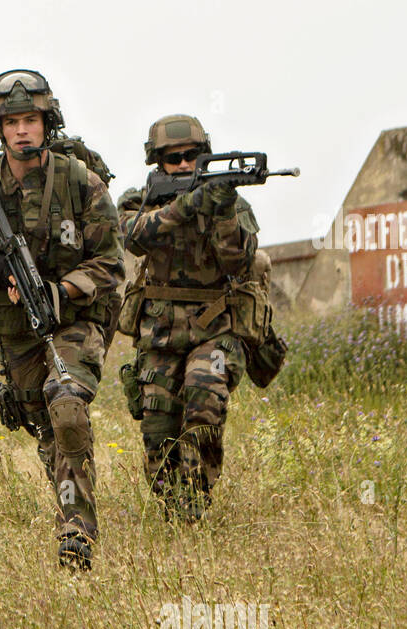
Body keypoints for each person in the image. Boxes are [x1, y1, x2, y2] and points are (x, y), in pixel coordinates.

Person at [0, 69, 123, 570]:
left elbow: (110, 262)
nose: (22, 130)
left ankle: (78, 530)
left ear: (47, 122)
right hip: (16, 329)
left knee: (65, 403)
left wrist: (59, 290)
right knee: (46, 428)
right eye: (12, 121)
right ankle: (71, 495)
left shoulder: (81, 183)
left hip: (76, 320)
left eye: (31, 119)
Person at [118, 114, 265, 521]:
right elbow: (134, 236)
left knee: (204, 396)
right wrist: (187, 205)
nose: (184, 165)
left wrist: (221, 211)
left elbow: (238, 260)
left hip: (215, 329)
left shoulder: (230, 203)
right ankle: (170, 504)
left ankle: (196, 497)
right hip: (159, 334)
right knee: (157, 429)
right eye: (173, 158)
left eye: (192, 157)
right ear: (158, 162)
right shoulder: (141, 200)